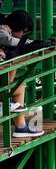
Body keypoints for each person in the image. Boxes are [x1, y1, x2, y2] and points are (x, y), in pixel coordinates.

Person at [0, 9, 41, 138]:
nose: (23, 35)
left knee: (18, 86)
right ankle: (20, 126)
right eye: (23, 31)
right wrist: (33, 44)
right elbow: (12, 42)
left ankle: (21, 126)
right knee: (18, 86)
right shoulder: (2, 30)